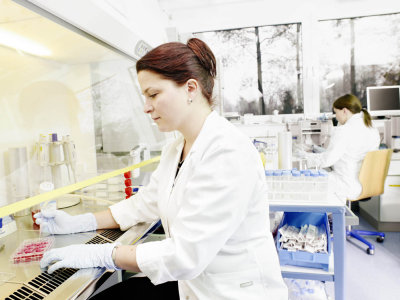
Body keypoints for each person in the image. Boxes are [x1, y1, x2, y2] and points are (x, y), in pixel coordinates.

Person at [35, 38, 288, 299]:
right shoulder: (176, 148)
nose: (146, 107)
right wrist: (81, 222)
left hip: (234, 291)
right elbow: (145, 202)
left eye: (153, 94)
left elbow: (185, 256)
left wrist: (103, 254)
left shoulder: (228, 151)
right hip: (195, 284)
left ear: (191, 88)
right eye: (145, 96)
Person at [303, 94, 380, 201]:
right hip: (364, 183)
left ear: (344, 111)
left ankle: (329, 217)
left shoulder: (345, 130)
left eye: (336, 113)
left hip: (347, 184)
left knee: (308, 183)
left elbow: (327, 161)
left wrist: (304, 158)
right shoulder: (371, 127)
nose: (336, 117)